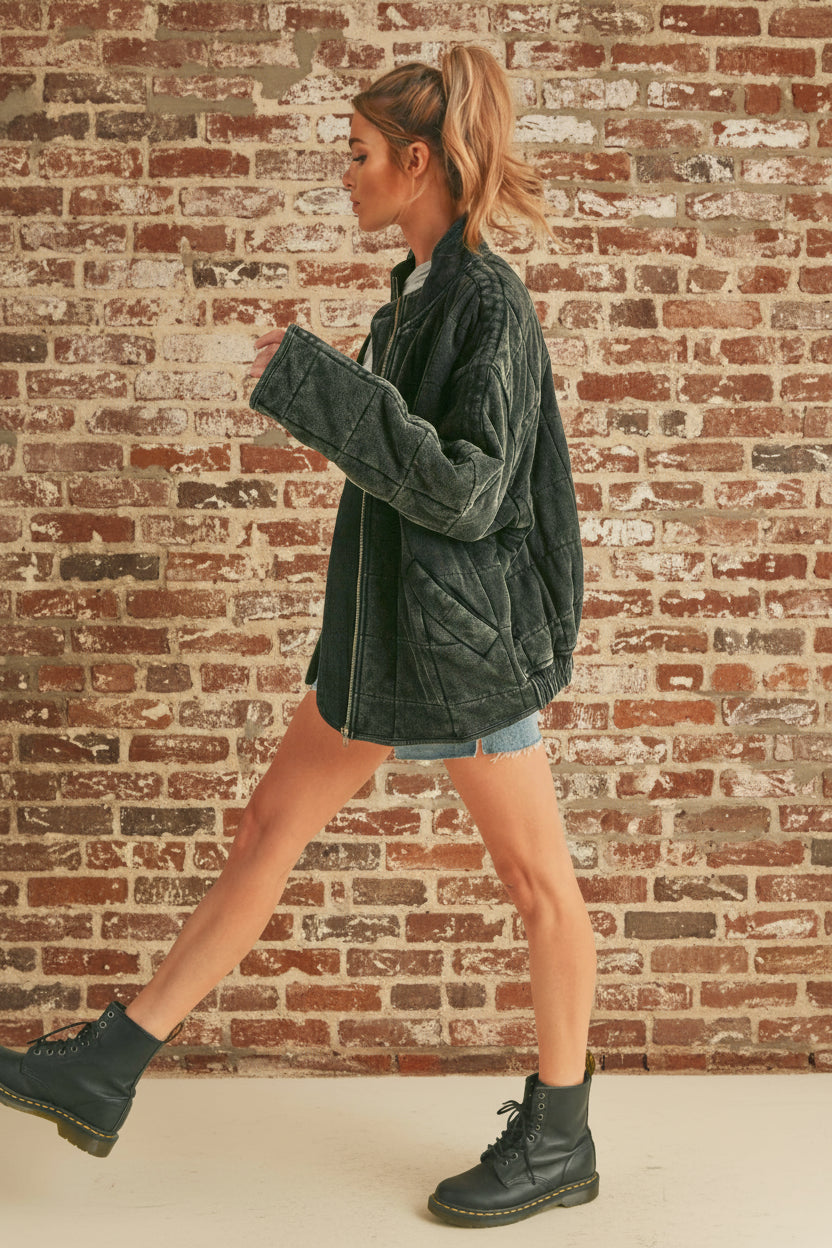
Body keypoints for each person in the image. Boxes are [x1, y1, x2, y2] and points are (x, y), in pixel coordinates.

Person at [0, 44, 598, 1229]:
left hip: (464, 650)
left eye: (360, 153)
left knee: (539, 885)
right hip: (387, 647)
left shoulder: (487, 300)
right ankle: (110, 1067)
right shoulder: (417, 292)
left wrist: (327, 392)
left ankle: (560, 1137)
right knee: (272, 821)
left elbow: (471, 495)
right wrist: (340, 390)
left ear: (417, 162)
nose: (345, 172)